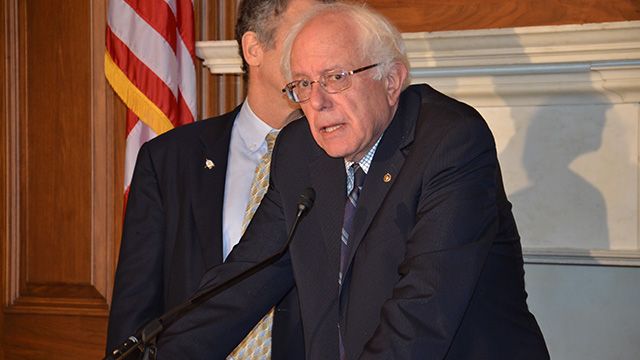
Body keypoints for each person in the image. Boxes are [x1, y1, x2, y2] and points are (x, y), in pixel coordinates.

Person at [155, 3, 550, 359]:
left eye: (336, 78)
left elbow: (423, 312)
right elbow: (242, 283)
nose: (318, 103)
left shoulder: (450, 142)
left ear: (392, 81)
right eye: (303, 85)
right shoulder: (300, 152)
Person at [105, 1, 331, 359]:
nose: (322, 51)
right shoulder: (168, 159)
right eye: (305, 33)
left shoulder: (341, 156)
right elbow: (136, 309)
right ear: (253, 48)